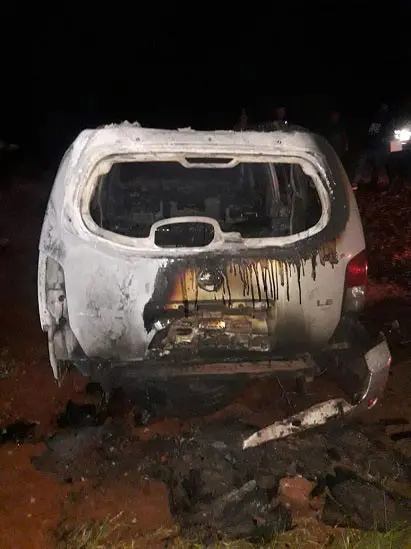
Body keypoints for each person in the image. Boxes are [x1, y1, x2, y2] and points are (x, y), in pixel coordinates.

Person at [353, 103, 391, 188]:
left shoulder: (386, 120)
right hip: (373, 146)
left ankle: (380, 182)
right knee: (365, 164)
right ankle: (358, 182)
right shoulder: (378, 120)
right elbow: (372, 133)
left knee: (378, 164)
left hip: (378, 147)